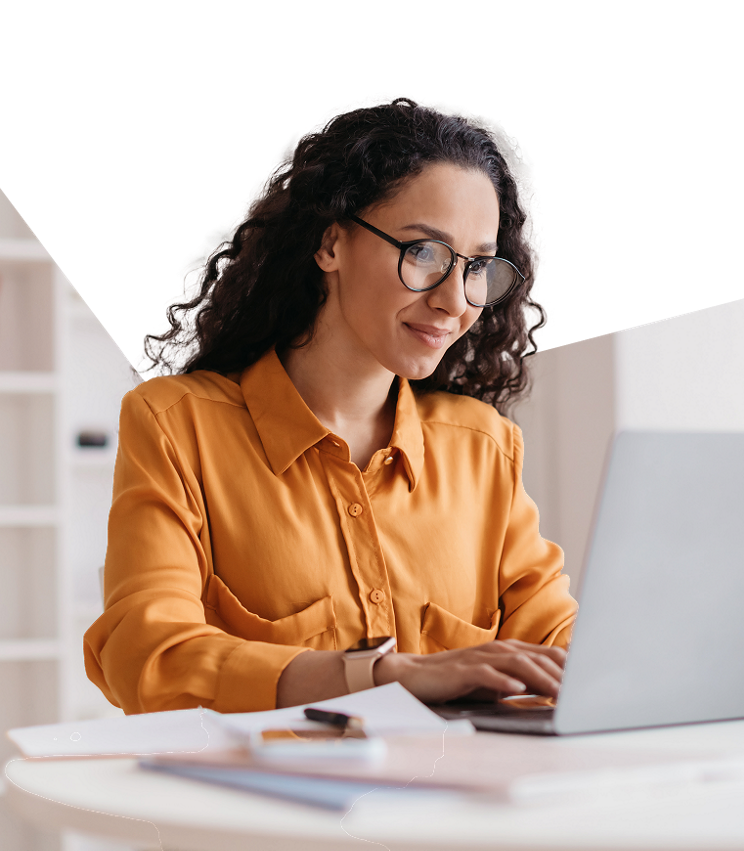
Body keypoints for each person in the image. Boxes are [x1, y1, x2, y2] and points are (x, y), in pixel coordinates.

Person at [84, 96, 577, 715]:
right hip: (275, 807)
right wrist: (382, 677)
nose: (456, 300)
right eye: (423, 251)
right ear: (331, 244)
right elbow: (147, 656)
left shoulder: (482, 446)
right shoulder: (178, 426)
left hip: (462, 803)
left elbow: (559, 650)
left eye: (476, 265)